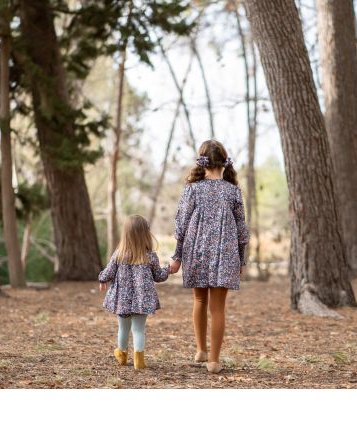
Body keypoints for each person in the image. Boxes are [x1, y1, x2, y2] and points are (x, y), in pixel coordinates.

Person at [169, 139, 249, 373]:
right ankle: (213, 360)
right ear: (224, 162)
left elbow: (181, 225)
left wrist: (177, 256)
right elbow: (241, 229)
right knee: (218, 308)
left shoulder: (192, 189)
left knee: (200, 301)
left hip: (197, 251)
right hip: (225, 254)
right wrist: (241, 260)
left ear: (202, 162)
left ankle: (200, 350)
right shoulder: (233, 191)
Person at [99, 214, 169, 370]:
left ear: (125, 234)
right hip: (142, 300)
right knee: (138, 330)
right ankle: (139, 361)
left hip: (122, 300)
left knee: (123, 328)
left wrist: (102, 279)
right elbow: (159, 276)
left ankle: (122, 356)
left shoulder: (118, 255)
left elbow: (108, 273)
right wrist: (168, 269)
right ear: (145, 234)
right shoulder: (150, 256)